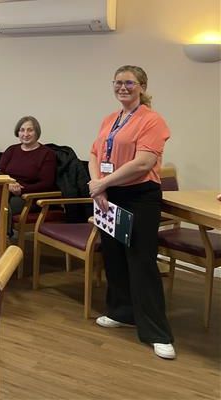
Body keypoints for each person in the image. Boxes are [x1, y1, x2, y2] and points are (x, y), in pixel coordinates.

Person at [88, 65, 175, 360]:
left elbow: (143, 163)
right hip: (108, 195)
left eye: (129, 83)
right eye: (118, 82)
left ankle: (157, 332)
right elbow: (94, 154)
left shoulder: (153, 120)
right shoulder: (110, 118)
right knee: (113, 256)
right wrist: (98, 186)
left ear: (142, 86)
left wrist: (102, 183)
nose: (122, 87)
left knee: (141, 262)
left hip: (139, 196)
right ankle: (122, 312)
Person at [0, 116, 57, 217]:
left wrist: (21, 189)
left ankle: (4, 233)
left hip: (30, 197)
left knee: (3, 207)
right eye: (22, 130)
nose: (25, 134)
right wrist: (9, 185)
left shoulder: (47, 154)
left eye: (30, 130)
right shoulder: (11, 150)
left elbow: (46, 184)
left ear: (37, 132)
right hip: (7, 191)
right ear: (18, 132)